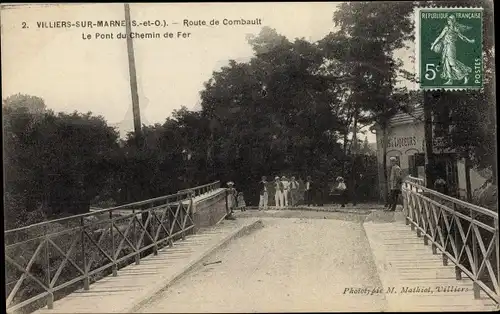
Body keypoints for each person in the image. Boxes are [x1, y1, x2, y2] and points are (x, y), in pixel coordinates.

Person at [430, 14, 475, 85]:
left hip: (451, 47)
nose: (448, 21)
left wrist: (469, 41)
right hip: (445, 47)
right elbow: (440, 37)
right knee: (446, 63)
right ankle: (450, 80)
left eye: (449, 20)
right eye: (448, 20)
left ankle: (465, 75)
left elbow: (462, 37)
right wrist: (433, 45)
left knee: (452, 63)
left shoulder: (455, 29)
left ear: (453, 21)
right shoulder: (446, 28)